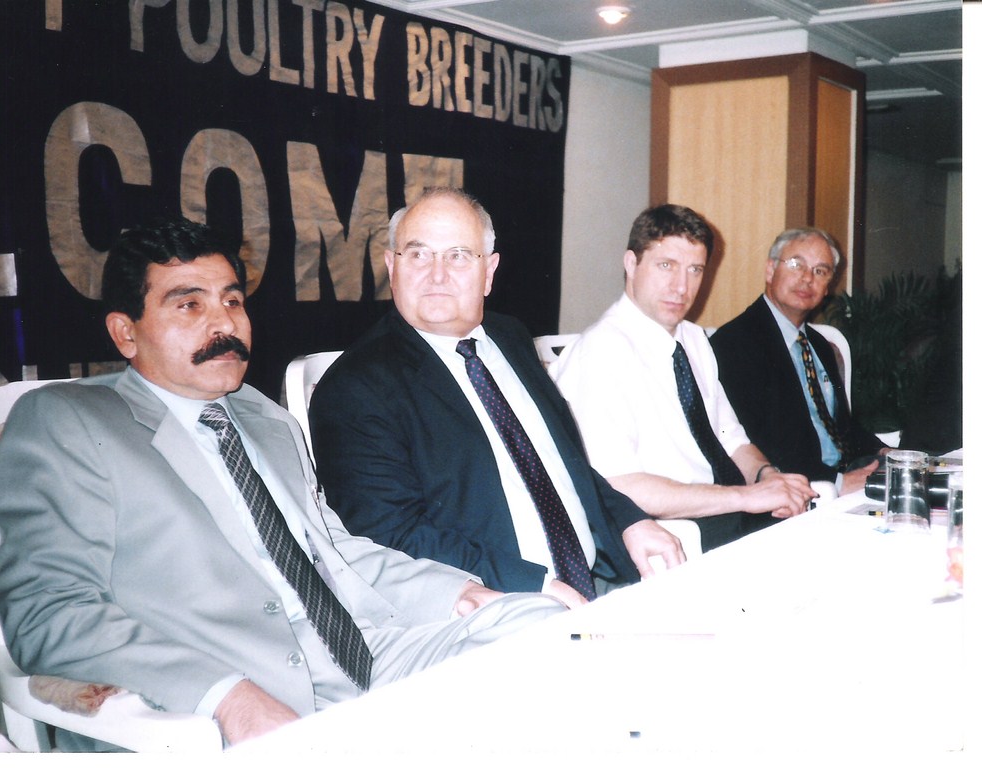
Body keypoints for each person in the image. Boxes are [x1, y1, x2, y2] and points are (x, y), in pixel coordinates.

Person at [0, 218, 566, 750]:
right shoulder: (67, 421)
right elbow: (47, 616)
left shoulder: (264, 417)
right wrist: (226, 696)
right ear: (125, 333)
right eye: (188, 305)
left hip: (365, 653)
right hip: (233, 692)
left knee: (545, 629)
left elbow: (334, 550)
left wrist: (458, 594)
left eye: (232, 301)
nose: (224, 324)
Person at [308, 187, 684, 608]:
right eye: (418, 255)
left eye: (458, 256)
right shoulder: (355, 389)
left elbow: (559, 463)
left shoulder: (509, 337)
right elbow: (389, 535)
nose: (437, 275)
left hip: (600, 578)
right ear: (391, 266)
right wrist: (534, 585)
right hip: (495, 605)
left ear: (488, 272)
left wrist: (629, 520)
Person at [550, 204, 815, 551]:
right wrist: (746, 497)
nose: (681, 287)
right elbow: (619, 485)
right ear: (631, 264)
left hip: (724, 511)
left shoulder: (693, 339)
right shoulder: (601, 354)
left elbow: (731, 438)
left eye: (695, 270)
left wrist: (768, 477)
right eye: (666, 266)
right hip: (670, 530)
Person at [709, 227, 888, 494]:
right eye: (796, 265)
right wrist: (837, 483)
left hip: (844, 477)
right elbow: (756, 442)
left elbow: (841, 426)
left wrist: (884, 451)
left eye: (820, 271)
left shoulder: (819, 345)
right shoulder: (735, 343)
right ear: (770, 270)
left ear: (827, 288)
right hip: (794, 491)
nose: (807, 279)